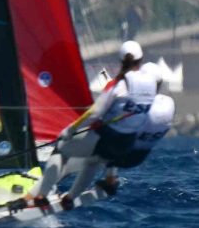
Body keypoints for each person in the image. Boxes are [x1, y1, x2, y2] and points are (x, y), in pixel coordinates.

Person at [32, 41, 176, 209]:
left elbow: (95, 113)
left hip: (111, 142)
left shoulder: (119, 85)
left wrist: (70, 130)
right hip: (129, 151)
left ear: (121, 60)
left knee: (62, 149)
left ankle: (41, 194)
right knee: (94, 160)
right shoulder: (157, 99)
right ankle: (76, 195)